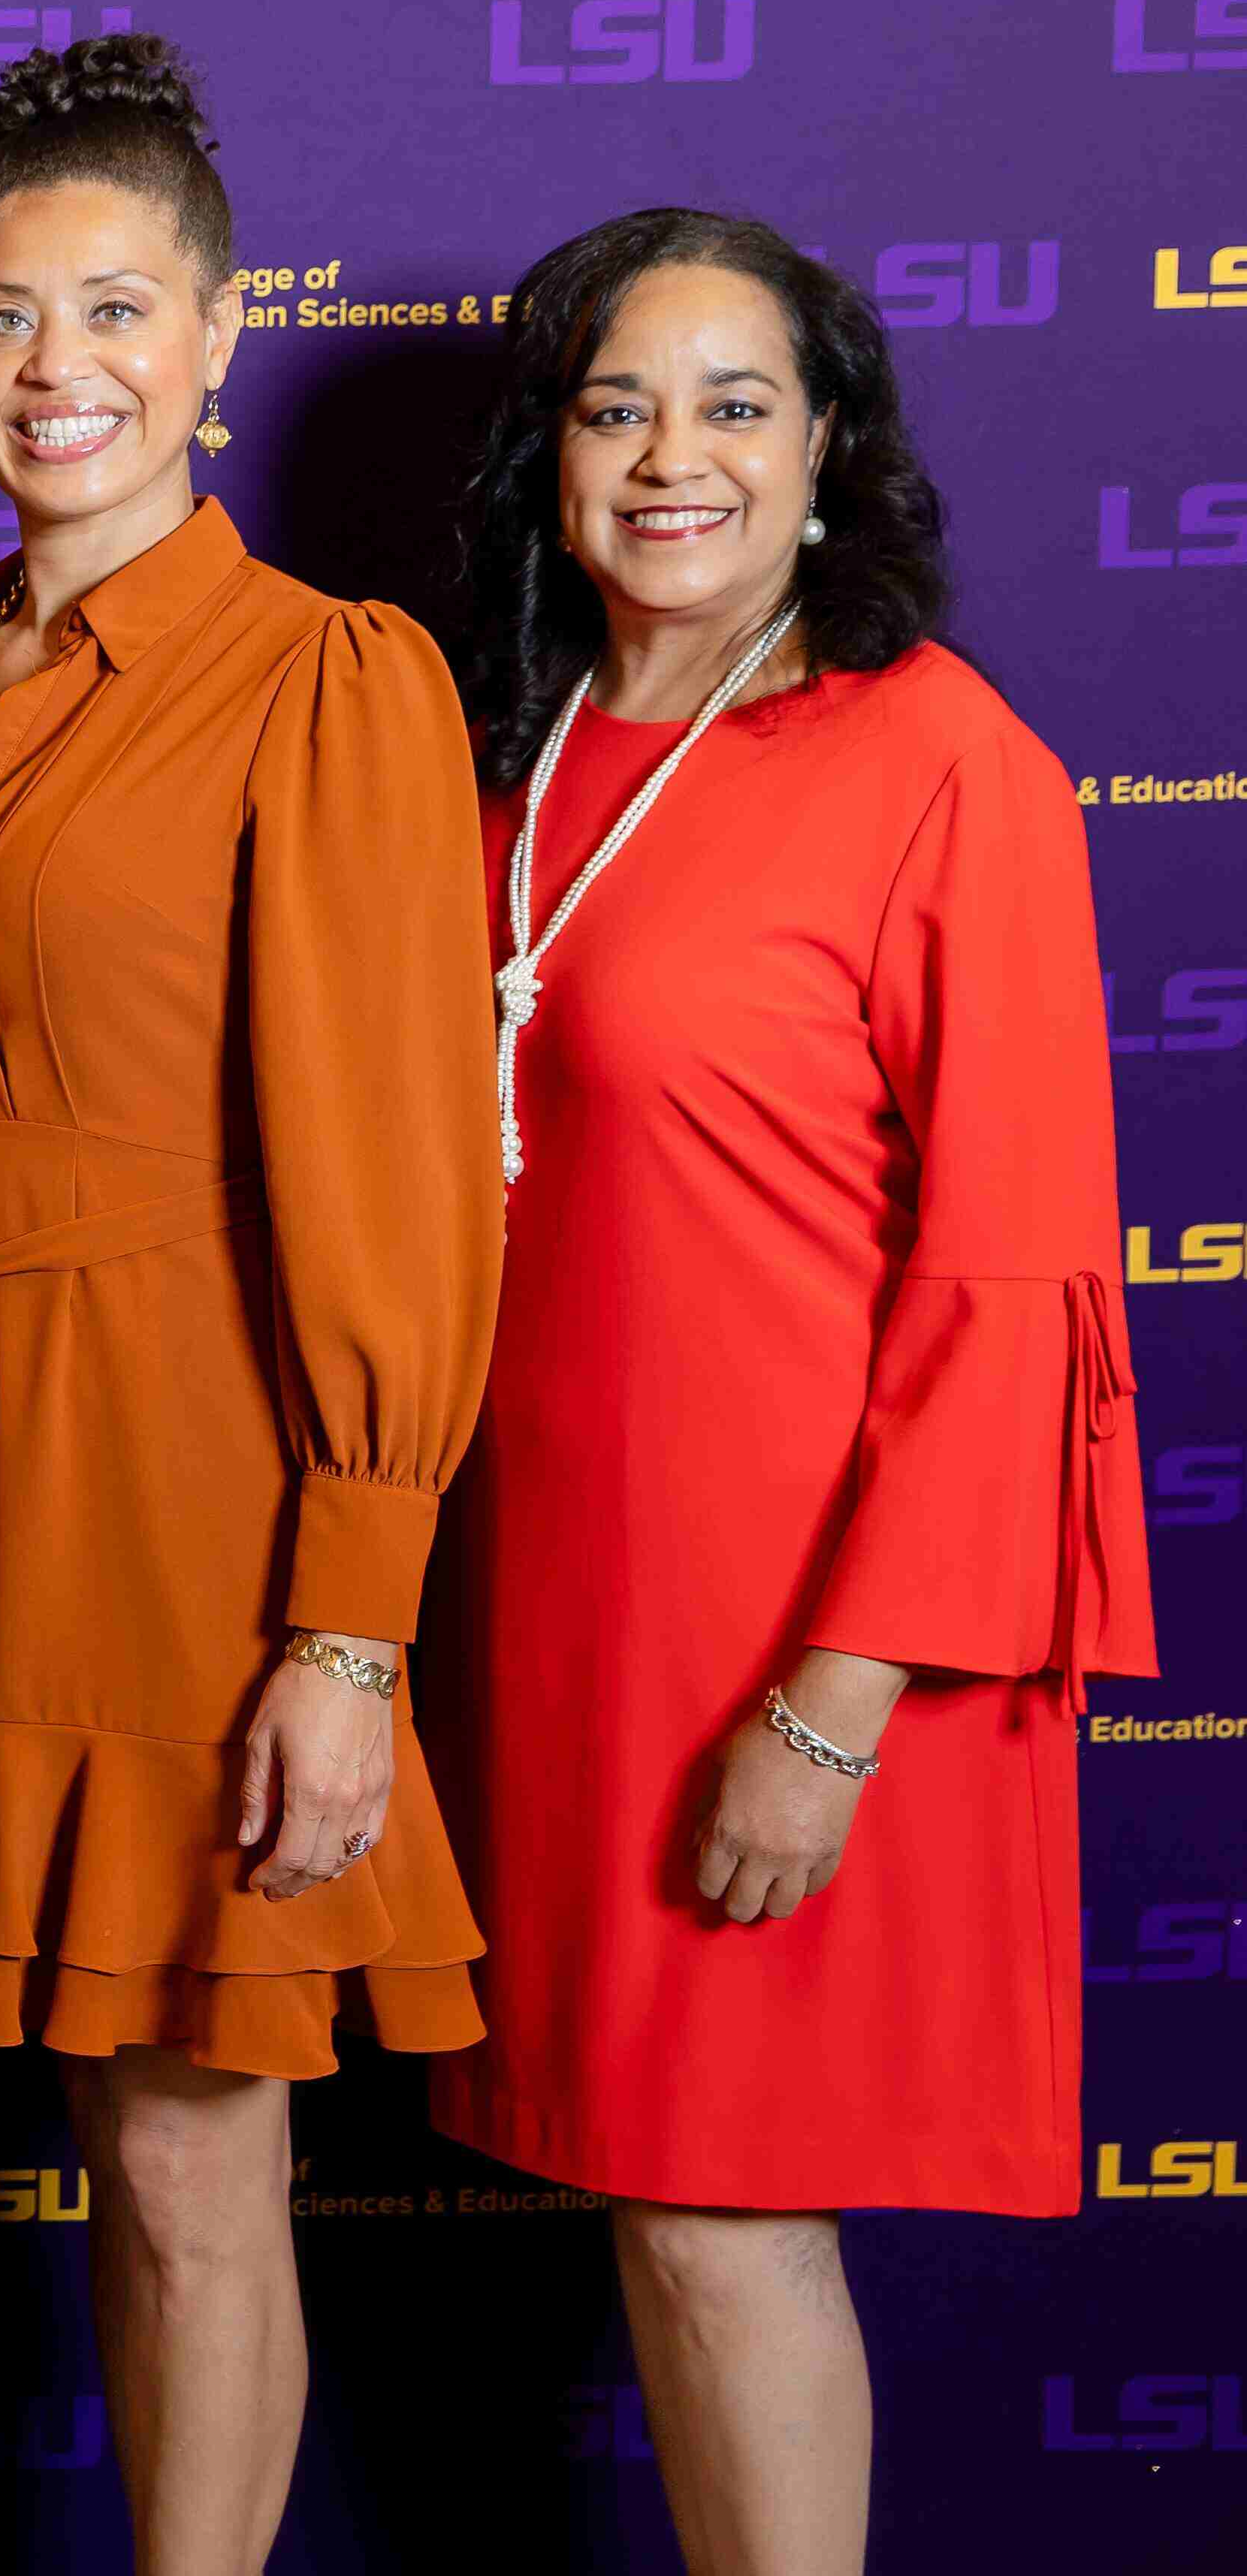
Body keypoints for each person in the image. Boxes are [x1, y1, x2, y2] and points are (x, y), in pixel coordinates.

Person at [427, 209, 1155, 2576]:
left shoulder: (942, 759)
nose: (675, 456)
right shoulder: (503, 749)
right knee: (652, 2214)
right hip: (557, 1619)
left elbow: (1014, 1280)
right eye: (617, 405)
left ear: (830, 449)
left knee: (723, 2223)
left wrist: (834, 1706)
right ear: (549, 456)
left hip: (799, 1638)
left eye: (736, 404)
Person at [0, 37, 500, 2575]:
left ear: (223, 337)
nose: (60, 370)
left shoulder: (327, 677)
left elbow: (394, 1171)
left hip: (180, 1496)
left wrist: (349, 1625)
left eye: (118, 311)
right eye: (7, 316)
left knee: (183, 2154)